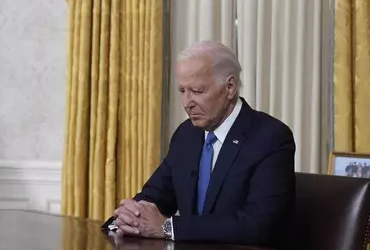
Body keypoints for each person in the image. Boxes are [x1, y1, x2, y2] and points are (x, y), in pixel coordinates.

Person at [109, 41, 296, 249]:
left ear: (230, 87)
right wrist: (131, 215)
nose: (187, 102)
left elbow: (256, 225)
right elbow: (156, 195)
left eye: (197, 91)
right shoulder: (186, 134)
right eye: (182, 90)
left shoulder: (271, 137)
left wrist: (168, 228)